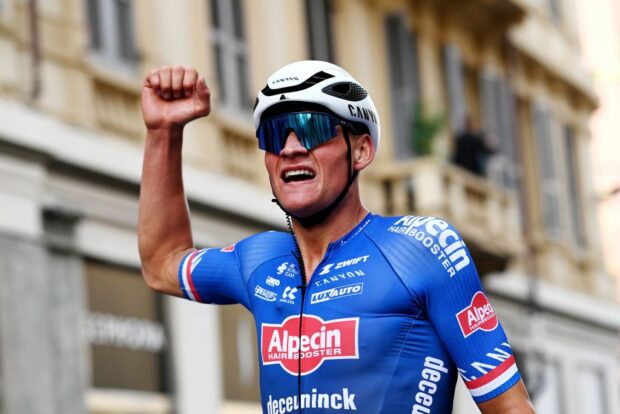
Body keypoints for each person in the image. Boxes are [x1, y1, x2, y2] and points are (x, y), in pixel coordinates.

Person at [138, 60, 535, 413]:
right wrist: (163, 133)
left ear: (361, 151)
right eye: (276, 136)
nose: (291, 148)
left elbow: (511, 409)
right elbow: (161, 264)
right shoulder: (259, 260)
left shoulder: (420, 248)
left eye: (313, 129)